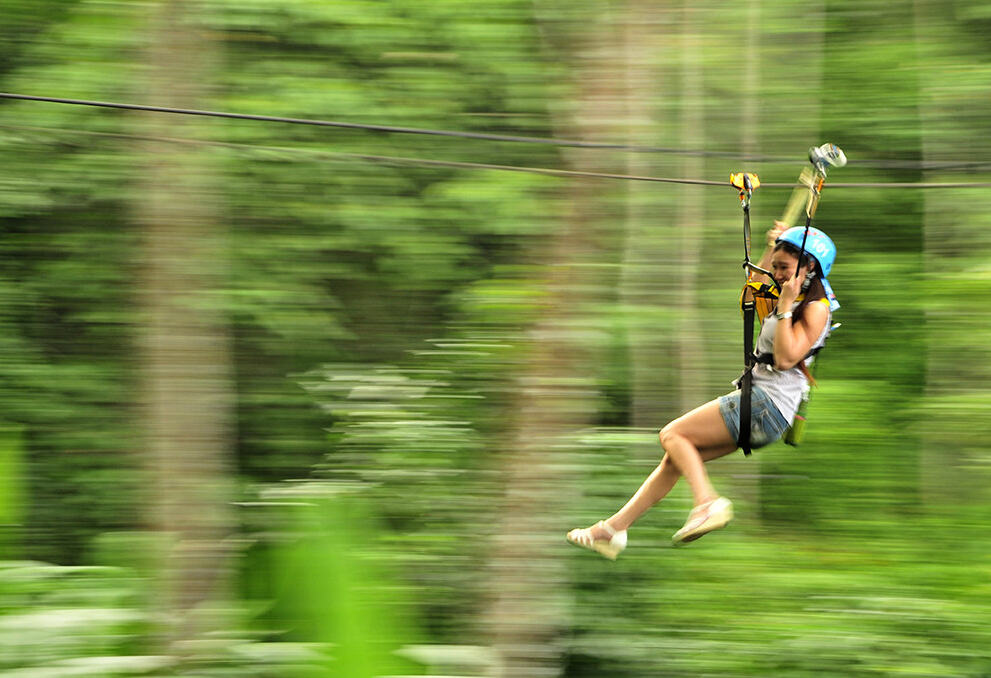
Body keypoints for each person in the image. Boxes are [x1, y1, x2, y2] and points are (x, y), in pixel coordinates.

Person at [567, 221, 838, 558]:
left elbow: (785, 358)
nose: (778, 274)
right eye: (777, 267)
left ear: (809, 266)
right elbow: (754, 287)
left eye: (784, 268)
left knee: (672, 435)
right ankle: (613, 529)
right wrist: (773, 246)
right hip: (764, 408)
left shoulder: (814, 308)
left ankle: (706, 503)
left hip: (766, 405)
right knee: (675, 459)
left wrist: (784, 308)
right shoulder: (790, 297)